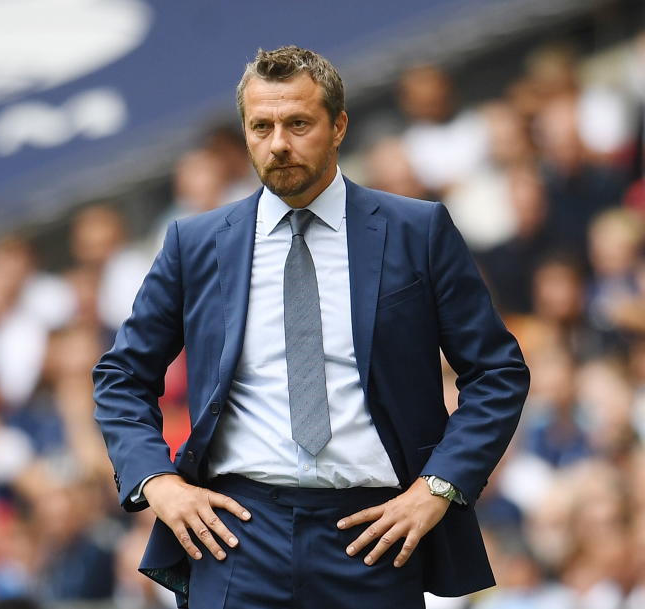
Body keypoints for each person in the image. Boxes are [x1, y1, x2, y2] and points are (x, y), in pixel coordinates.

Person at [93, 46, 529, 609]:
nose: (278, 143)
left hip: (374, 537)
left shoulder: (416, 231)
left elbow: (497, 371)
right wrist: (158, 482)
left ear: (339, 125)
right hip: (233, 537)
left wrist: (437, 487)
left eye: (298, 123)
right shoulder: (194, 244)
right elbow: (121, 375)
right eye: (262, 126)